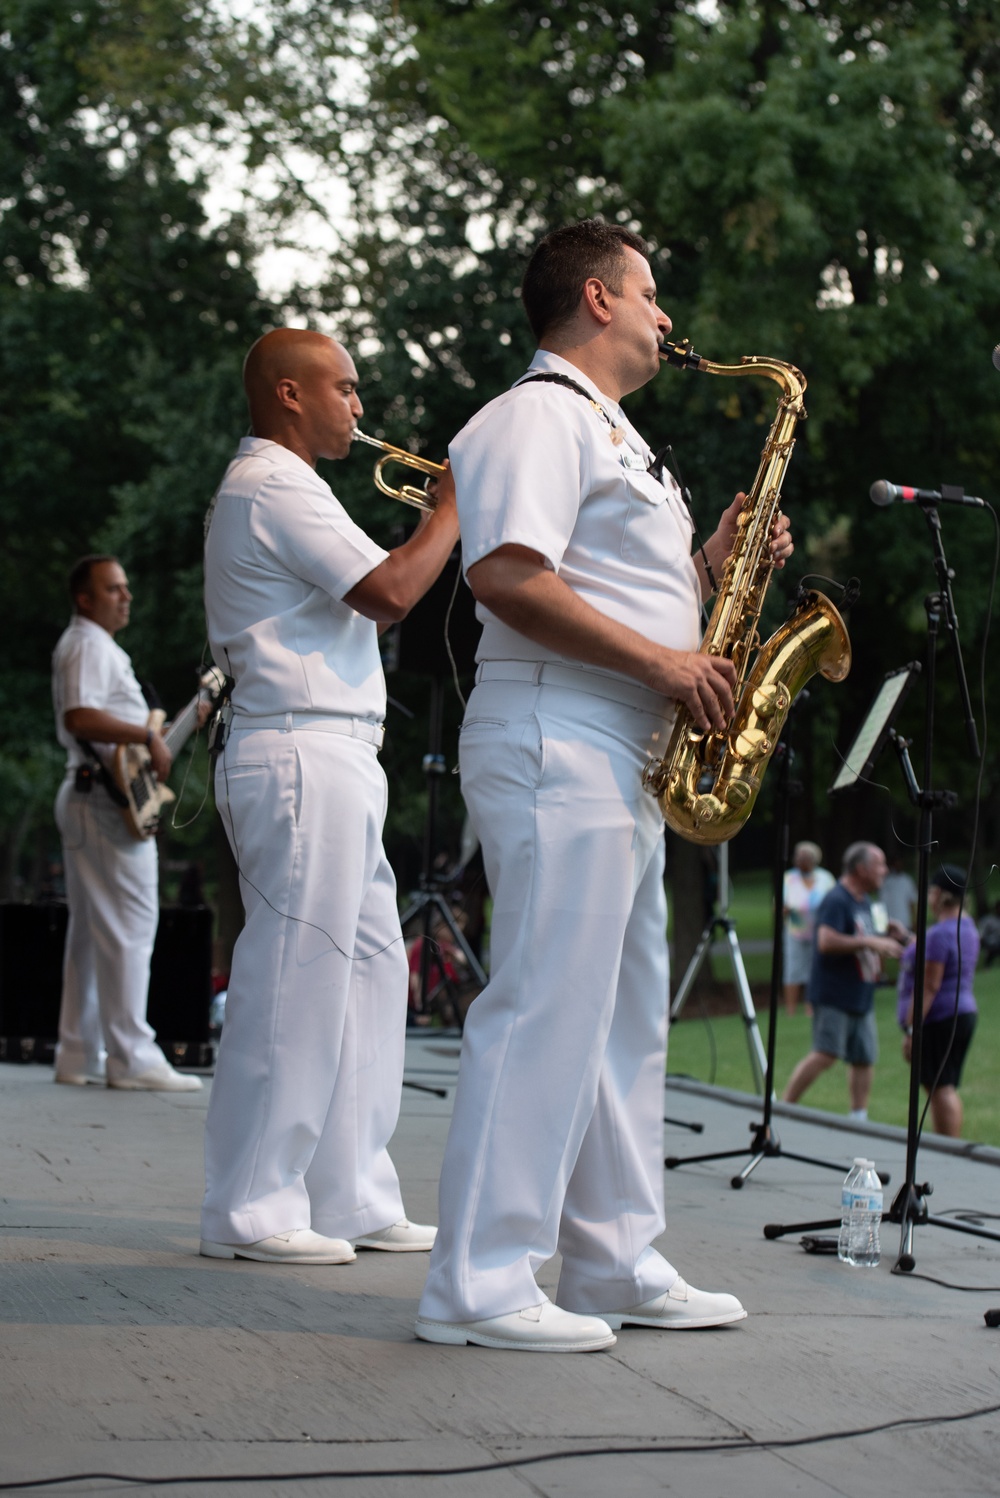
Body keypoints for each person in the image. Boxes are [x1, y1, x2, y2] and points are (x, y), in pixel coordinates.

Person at [415, 219, 793, 1353]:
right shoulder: (534, 415)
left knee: (621, 1020)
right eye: (650, 292)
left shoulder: (613, 434)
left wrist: (714, 566)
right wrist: (668, 663)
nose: (666, 316)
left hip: (615, 745)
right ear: (596, 297)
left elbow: (617, 583)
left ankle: (612, 1254)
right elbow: (506, 576)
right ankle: (476, 1283)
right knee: (540, 1008)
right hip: (556, 729)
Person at [200, 327, 460, 1266]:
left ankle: (349, 1191)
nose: (359, 404)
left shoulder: (290, 486)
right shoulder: (275, 483)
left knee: (368, 971)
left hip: (335, 750)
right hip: (300, 748)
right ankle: (252, 1206)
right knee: (295, 980)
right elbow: (390, 590)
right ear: (288, 394)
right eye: (343, 387)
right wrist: (452, 511)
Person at [51, 556, 204, 1091]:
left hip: (97, 795)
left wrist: (167, 730)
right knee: (130, 926)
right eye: (113, 589)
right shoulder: (88, 645)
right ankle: (131, 1055)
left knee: (93, 935)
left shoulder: (97, 647)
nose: (126, 597)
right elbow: (80, 717)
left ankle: (78, 1051)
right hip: (101, 801)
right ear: (85, 599)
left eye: (126, 588)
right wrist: (147, 736)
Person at [783, 842, 906, 1122]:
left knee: (864, 1057)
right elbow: (826, 940)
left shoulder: (863, 900)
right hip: (834, 992)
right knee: (826, 1053)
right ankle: (784, 1108)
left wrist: (888, 932)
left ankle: (858, 1117)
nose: (884, 871)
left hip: (860, 992)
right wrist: (869, 941)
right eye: (880, 865)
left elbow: (864, 931)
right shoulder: (837, 899)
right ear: (861, 869)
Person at [896, 865, 979, 1137]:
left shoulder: (939, 934)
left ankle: (949, 1147)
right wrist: (909, 940)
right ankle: (946, 1144)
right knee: (943, 1084)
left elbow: (929, 986)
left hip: (940, 1017)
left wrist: (911, 1029)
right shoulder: (965, 926)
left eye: (931, 891)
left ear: (940, 895)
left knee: (940, 1086)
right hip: (962, 1012)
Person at [782, 840, 835, 1015]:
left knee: (815, 969)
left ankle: (810, 1007)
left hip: (818, 932)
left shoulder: (825, 878)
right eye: (798, 857)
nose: (800, 860)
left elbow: (833, 903)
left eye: (804, 857)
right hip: (795, 931)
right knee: (793, 970)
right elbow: (780, 906)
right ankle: (790, 1010)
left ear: (813, 859)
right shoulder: (789, 878)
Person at [880, 857, 918, 931]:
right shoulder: (886, 881)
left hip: (905, 923)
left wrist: (914, 920)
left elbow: (911, 902)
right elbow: (881, 903)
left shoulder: (907, 880)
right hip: (889, 923)